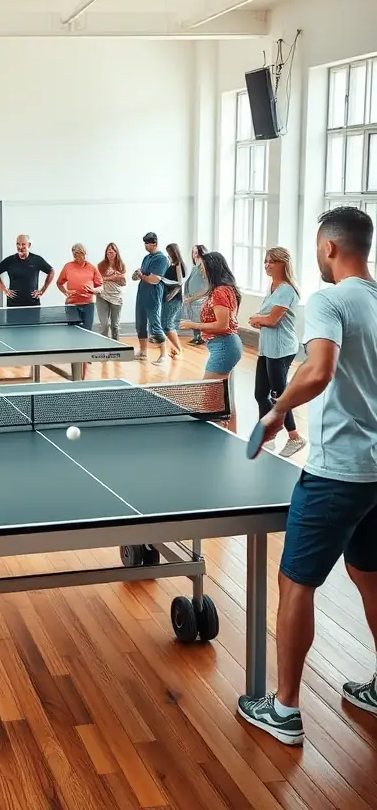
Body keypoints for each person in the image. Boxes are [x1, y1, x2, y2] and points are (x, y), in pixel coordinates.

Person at [237, 206, 377, 747]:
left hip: (337, 471)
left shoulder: (328, 300)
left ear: (329, 248)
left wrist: (275, 413)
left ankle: (285, 710)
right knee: (370, 576)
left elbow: (319, 370)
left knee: (296, 583)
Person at [248, 247, 306, 459]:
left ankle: (295, 437)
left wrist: (257, 319)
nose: (267, 265)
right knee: (260, 394)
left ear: (284, 263)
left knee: (280, 395)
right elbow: (265, 319)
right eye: (265, 261)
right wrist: (259, 320)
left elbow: (271, 320)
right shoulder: (271, 287)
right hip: (267, 348)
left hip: (281, 349)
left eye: (272, 261)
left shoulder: (287, 290)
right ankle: (269, 436)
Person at [180, 251, 243, 382]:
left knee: (210, 395)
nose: (202, 272)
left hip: (224, 346)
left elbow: (222, 325)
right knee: (222, 396)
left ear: (211, 269)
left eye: (203, 268)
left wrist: (193, 325)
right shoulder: (225, 288)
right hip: (226, 345)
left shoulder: (219, 292)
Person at [131, 232, 168, 364]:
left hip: (153, 296)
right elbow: (141, 274)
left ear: (155, 243)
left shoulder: (162, 259)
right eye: (144, 243)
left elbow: (154, 280)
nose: (145, 246)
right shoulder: (146, 258)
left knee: (155, 325)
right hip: (141, 295)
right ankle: (143, 352)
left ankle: (163, 355)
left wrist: (142, 276)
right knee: (140, 324)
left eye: (148, 243)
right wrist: (137, 275)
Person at [0, 235, 54, 307]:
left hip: (32, 304)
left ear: (29, 245)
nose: (20, 247)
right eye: (18, 244)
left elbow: (51, 271)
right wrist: (4, 289)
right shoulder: (10, 260)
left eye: (23, 244)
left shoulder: (36, 259)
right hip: (13, 305)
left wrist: (42, 290)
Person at [56, 244, 102, 330]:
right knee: (73, 331)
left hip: (88, 305)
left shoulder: (92, 268)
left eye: (77, 253)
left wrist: (93, 290)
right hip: (72, 305)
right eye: (73, 253)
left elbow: (101, 287)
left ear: (83, 253)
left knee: (87, 331)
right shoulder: (68, 266)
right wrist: (65, 292)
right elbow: (59, 283)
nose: (75, 255)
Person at [95, 243, 126, 341]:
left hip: (116, 297)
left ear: (116, 253)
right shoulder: (100, 265)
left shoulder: (121, 265)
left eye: (112, 251)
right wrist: (113, 277)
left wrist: (118, 278)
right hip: (102, 296)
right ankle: (104, 346)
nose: (110, 252)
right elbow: (98, 280)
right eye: (108, 251)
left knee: (115, 326)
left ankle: (116, 346)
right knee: (104, 324)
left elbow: (123, 283)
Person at [161, 243, 186, 359]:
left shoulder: (178, 265)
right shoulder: (170, 264)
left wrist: (171, 295)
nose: (168, 254)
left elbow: (179, 283)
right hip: (167, 297)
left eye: (169, 252)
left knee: (167, 324)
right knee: (166, 324)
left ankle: (178, 349)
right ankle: (175, 349)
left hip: (174, 299)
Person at [183, 245, 209, 345]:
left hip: (199, 298)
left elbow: (206, 286)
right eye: (194, 252)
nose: (195, 254)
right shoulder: (194, 268)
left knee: (198, 318)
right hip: (191, 298)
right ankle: (196, 336)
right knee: (193, 317)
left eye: (197, 252)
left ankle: (200, 337)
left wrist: (194, 297)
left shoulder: (203, 268)